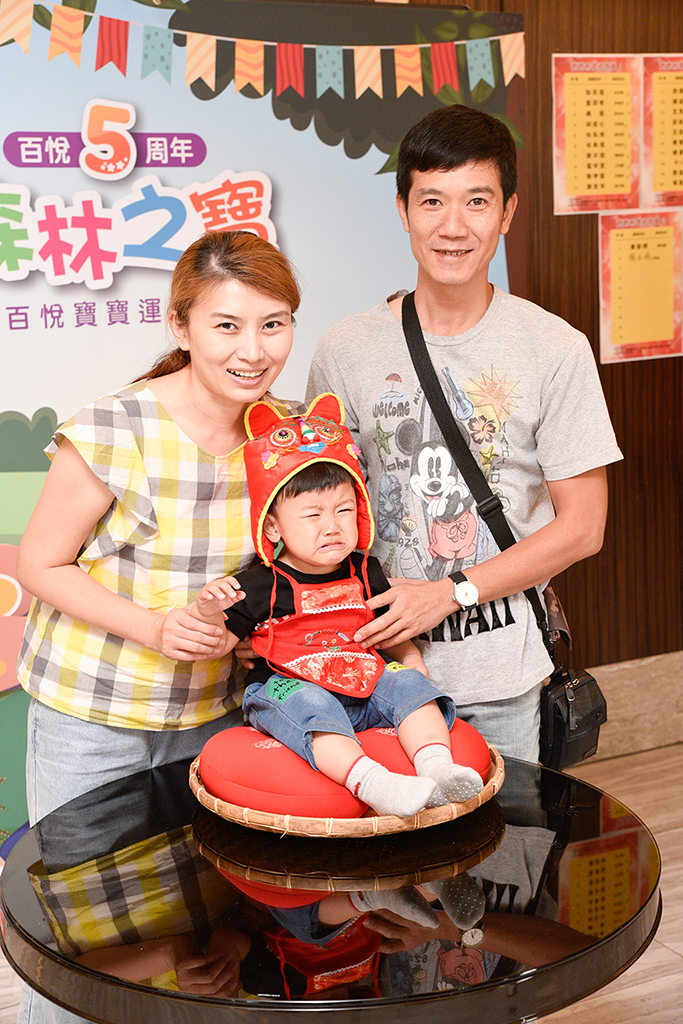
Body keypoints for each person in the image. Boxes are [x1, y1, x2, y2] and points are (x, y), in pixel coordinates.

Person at [15, 229, 301, 1024]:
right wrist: (153, 628)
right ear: (180, 326)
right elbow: (40, 562)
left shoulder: (284, 436)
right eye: (226, 325)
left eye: (273, 324)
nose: (253, 350)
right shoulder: (114, 428)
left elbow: (285, 569)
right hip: (90, 719)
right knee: (80, 941)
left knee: (199, 935)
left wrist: (248, 631)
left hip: (211, 720)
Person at [306, 104, 623, 763]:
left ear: (507, 212)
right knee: (382, 829)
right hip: (373, 674)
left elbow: (583, 527)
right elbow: (316, 504)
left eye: (477, 201)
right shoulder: (345, 349)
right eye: (432, 201)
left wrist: (451, 593)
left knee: (503, 831)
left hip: (502, 678)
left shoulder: (554, 349)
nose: (453, 227)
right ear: (403, 210)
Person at [187, 394, 484, 818]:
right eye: (312, 516)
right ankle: (374, 783)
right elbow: (218, 645)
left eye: (344, 510)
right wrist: (207, 612)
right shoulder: (259, 584)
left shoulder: (366, 571)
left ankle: (437, 767)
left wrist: (411, 659)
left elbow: (387, 632)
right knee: (311, 703)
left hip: (365, 679)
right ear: (272, 526)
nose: (331, 526)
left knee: (409, 684)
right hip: (289, 689)